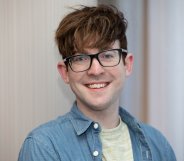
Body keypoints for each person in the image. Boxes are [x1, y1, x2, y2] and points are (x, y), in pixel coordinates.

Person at [18, 5, 177, 161]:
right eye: (80, 58)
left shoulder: (159, 145)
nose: (95, 70)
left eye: (107, 55)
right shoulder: (42, 146)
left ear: (127, 65)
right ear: (65, 72)